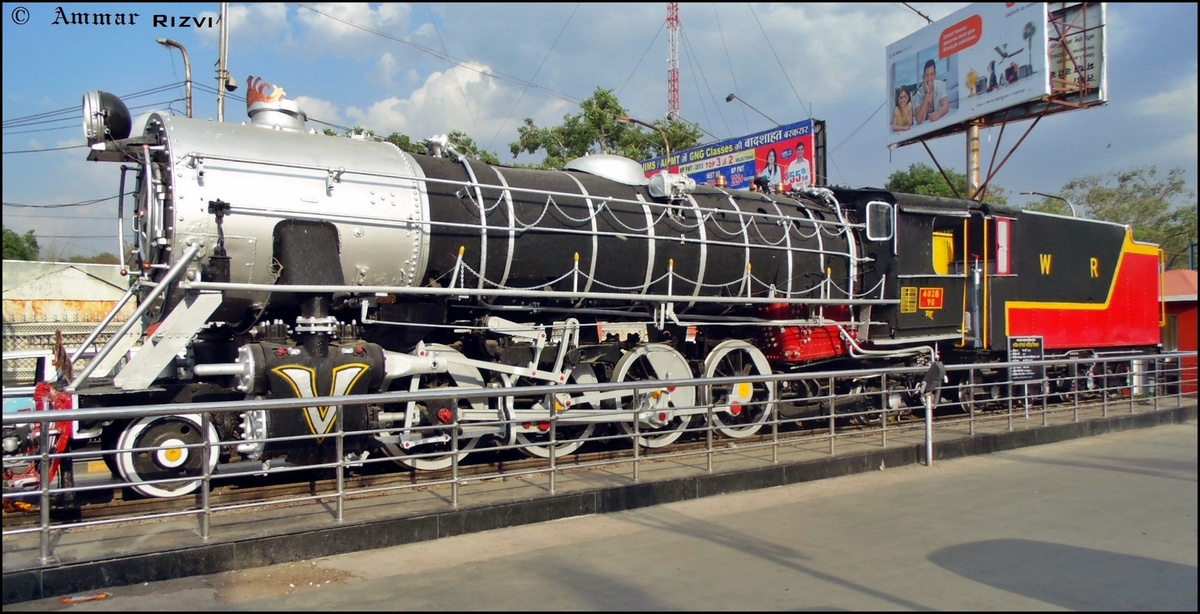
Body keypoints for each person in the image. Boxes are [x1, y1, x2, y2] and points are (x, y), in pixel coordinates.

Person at [914, 59, 949, 124]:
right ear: (923, 77)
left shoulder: (940, 84)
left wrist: (938, 114)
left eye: (931, 74)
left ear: (935, 75)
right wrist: (927, 95)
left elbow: (946, 106)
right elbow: (919, 120)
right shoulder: (917, 96)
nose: (929, 78)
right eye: (927, 75)